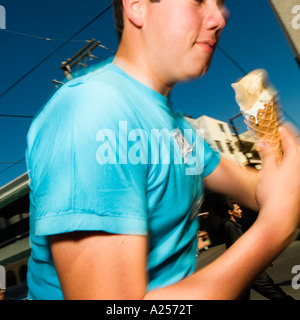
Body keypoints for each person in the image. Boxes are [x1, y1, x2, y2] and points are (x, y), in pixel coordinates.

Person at [25, 0, 300, 300]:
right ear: (138, 6)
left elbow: (259, 188)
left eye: (220, 3)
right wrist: (274, 230)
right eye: (198, 0)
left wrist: (284, 162)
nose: (220, 17)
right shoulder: (93, 111)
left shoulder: (176, 129)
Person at [224, 200, 295, 300]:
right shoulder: (231, 226)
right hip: (249, 272)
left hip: (241, 273)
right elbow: (241, 250)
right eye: (238, 209)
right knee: (276, 294)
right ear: (230, 212)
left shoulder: (232, 225)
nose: (241, 211)